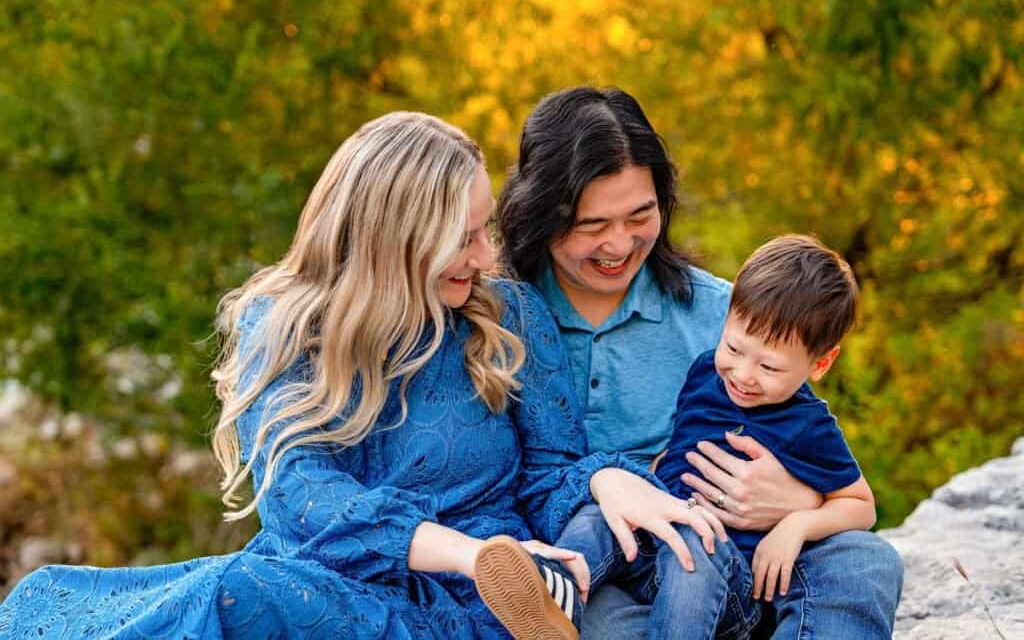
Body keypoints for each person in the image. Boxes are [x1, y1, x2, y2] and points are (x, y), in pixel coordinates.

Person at [0, 112, 722, 639]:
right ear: (391, 239)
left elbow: (549, 471)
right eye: (463, 238)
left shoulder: (508, 312)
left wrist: (605, 478)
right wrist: (469, 553)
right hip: (333, 590)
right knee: (99, 600)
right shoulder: (284, 325)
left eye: (485, 231)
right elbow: (301, 500)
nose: (486, 255)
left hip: (488, 604)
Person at [497, 86, 904, 637]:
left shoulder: (723, 315)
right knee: (600, 618)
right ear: (542, 213)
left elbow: (808, 443)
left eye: (640, 215)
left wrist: (799, 501)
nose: (619, 244)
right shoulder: (501, 319)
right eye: (593, 225)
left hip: (748, 560)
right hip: (623, 571)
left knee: (864, 561)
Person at [552, 234, 882, 638]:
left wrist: (795, 525)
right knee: (598, 517)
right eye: (734, 348)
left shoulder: (808, 424)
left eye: (769, 367)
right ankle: (551, 588)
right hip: (656, 544)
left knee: (696, 542)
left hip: (724, 583)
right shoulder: (707, 373)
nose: (743, 375)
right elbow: (679, 449)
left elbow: (861, 506)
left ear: (820, 364)